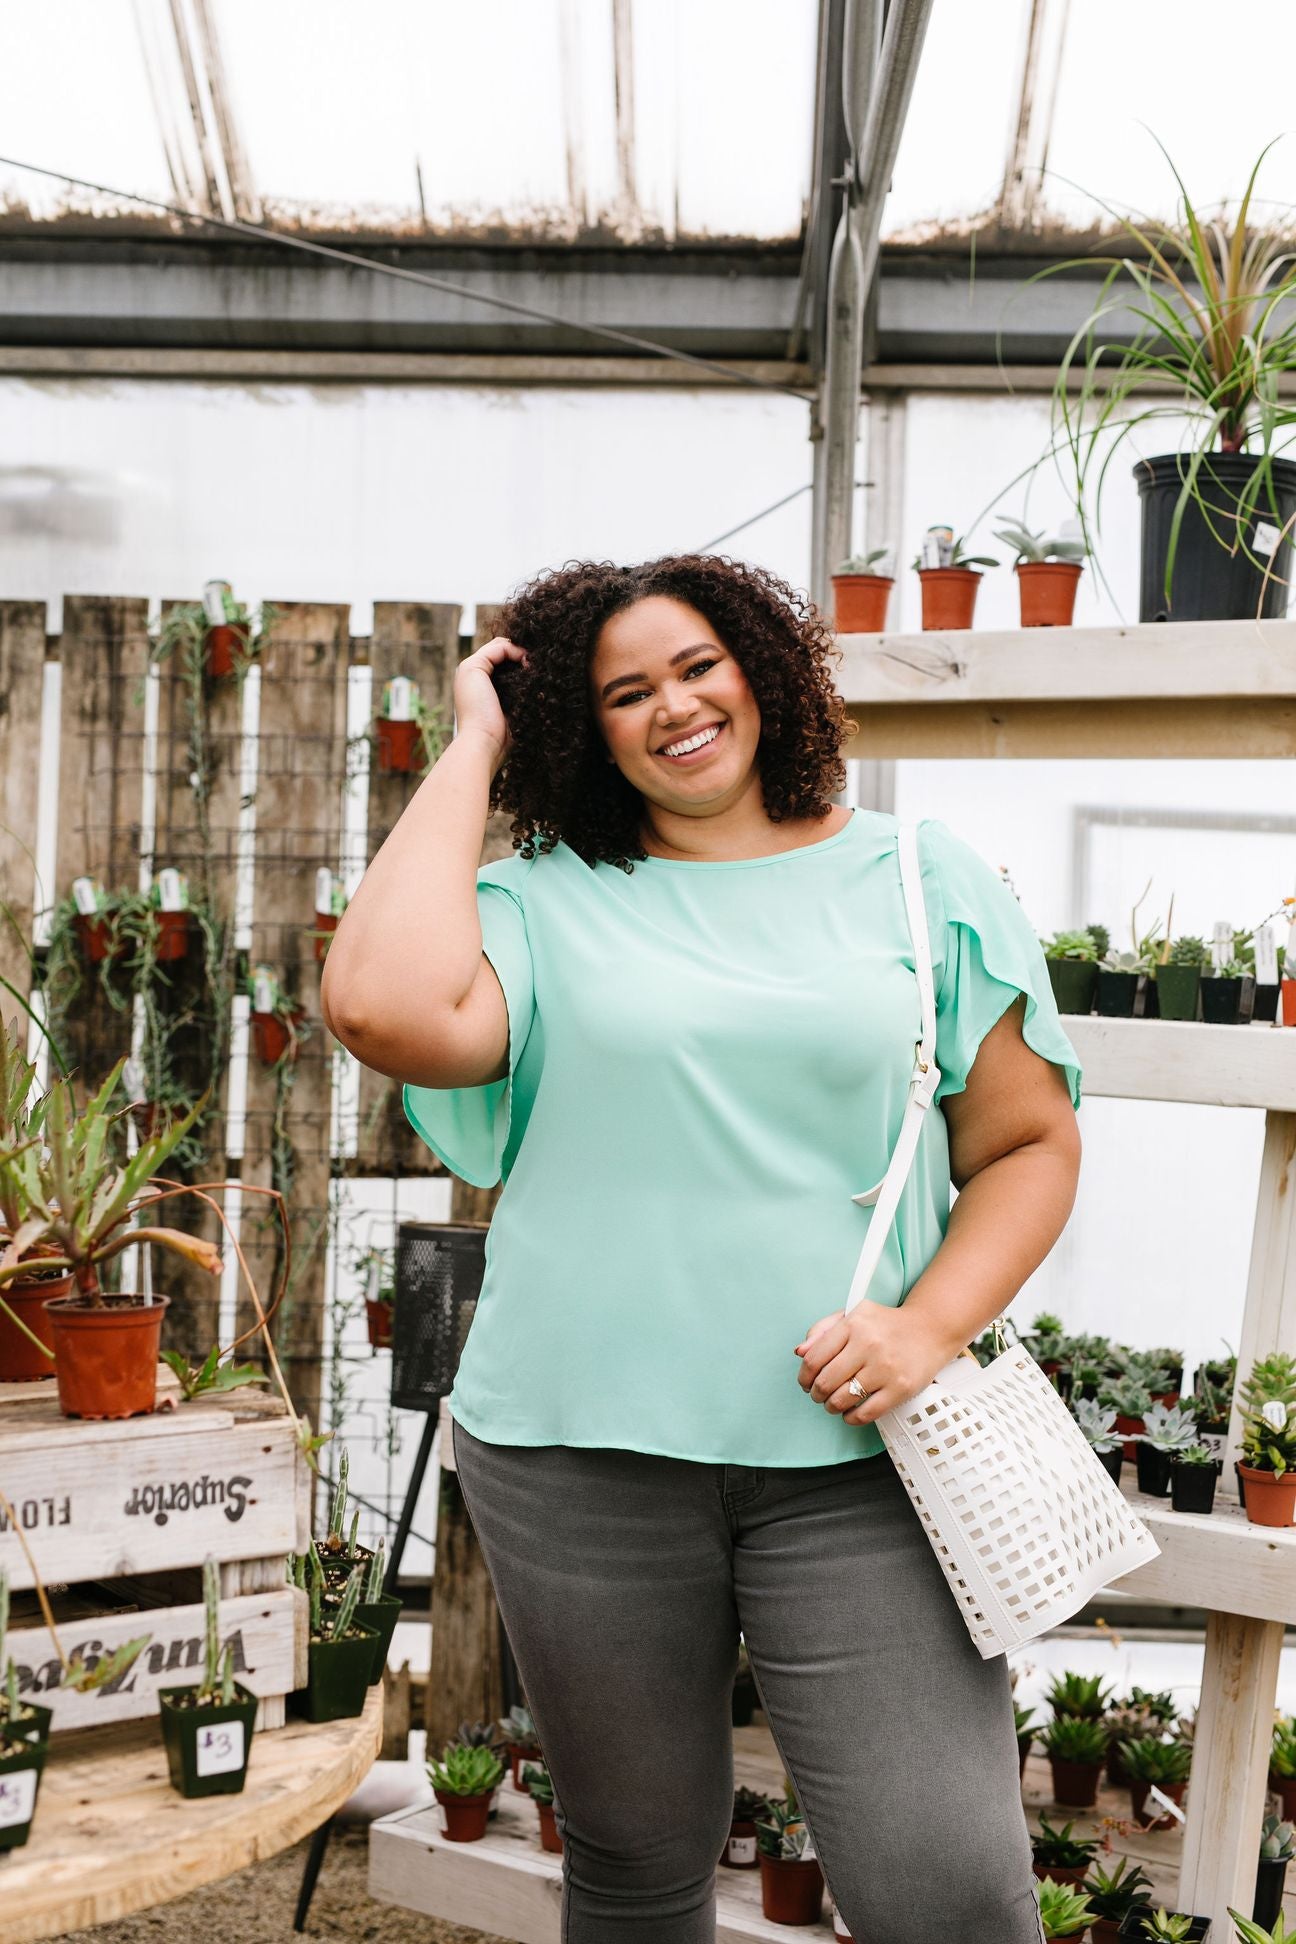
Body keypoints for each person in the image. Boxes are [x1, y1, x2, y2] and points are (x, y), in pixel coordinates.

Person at [322, 554, 1081, 1944]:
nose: (673, 705)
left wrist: (926, 1327)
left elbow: (1027, 1146)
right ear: (583, 732)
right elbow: (376, 1005)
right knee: (633, 1864)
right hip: (578, 1458)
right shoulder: (542, 900)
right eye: (623, 693)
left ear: (760, 668)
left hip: (863, 1460)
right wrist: (479, 742)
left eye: (696, 665)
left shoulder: (920, 877)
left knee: (950, 1891)